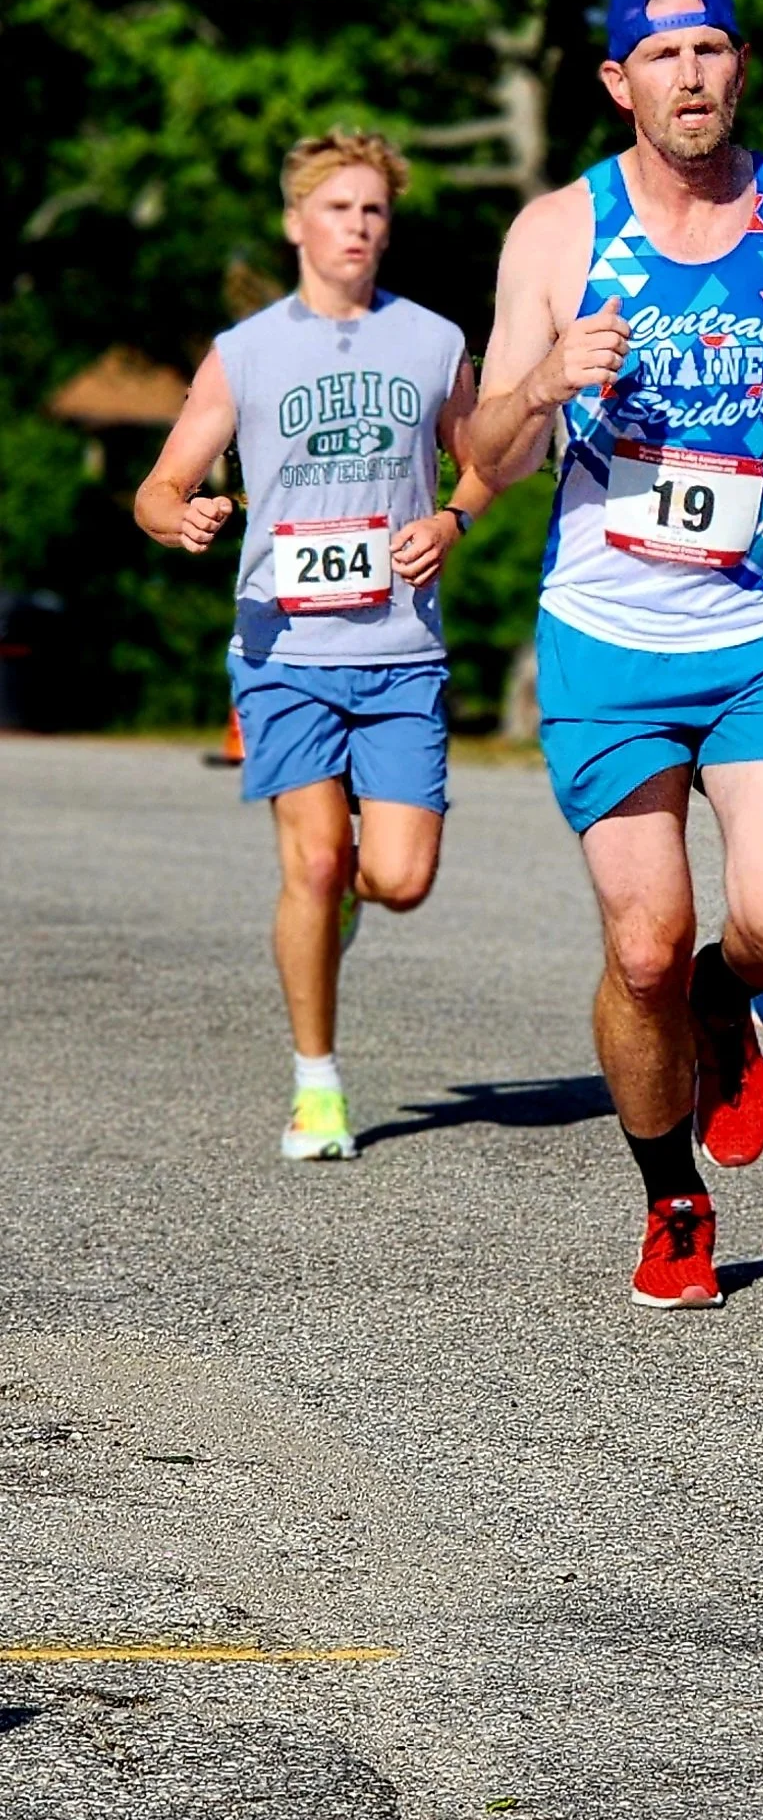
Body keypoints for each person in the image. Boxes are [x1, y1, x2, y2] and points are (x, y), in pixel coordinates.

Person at [468, 0, 763, 1309]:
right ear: (617, 81)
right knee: (639, 944)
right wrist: (542, 378)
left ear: (739, 66)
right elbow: (484, 444)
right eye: (664, 58)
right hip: (606, 627)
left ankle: (731, 1000)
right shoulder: (556, 232)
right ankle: (674, 1202)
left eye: (712, 50)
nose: (691, 76)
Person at [135, 128, 491, 1162]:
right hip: (283, 648)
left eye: (374, 211)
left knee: (401, 875)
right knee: (317, 854)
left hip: (399, 650)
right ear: (298, 223)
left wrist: (454, 519)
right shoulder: (244, 354)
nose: (358, 227)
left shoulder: (431, 341)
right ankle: (317, 1087)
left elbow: (485, 457)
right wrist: (181, 517)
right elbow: (160, 485)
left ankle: (340, 909)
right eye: (338, 208)